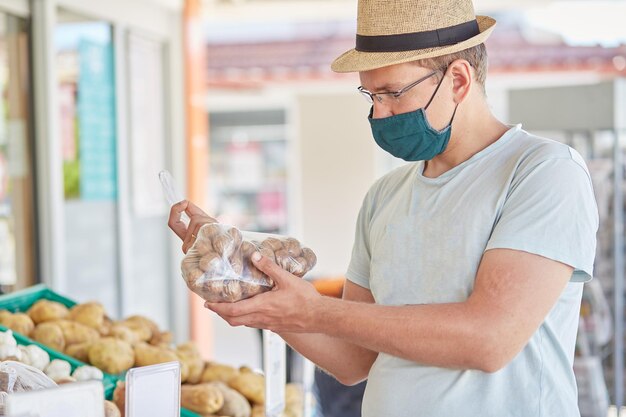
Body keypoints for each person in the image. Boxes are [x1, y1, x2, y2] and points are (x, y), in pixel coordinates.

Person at [168, 0, 599, 415]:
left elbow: (489, 340)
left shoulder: (542, 172)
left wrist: (316, 310)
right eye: (370, 95)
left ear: (459, 81)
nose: (379, 113)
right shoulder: (385, 196)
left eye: (393, 93)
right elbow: (354, 361)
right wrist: (249, 280)